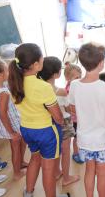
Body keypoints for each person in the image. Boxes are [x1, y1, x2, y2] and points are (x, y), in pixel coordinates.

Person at [8, 43, 68, 197]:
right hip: (47, 131)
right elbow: (58, 117)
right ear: (35, 64)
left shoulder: (14, 82)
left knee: (35, 159)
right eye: (41, 58)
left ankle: (28, 192)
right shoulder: (43, 86)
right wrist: (62, 122)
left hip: (27, 129)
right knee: (48, 169)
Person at [68, 43, 105, 197]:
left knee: (89, 170)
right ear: (101, 64)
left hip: (84, 139)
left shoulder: (75, 85)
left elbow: (72, 109)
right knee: (103, 173)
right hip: (103, 140)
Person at [38, 56, 80, 187]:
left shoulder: (39, 88)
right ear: (56, 74)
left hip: (48, 123)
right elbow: (68, 108)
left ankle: (56, 172)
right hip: (63, 122)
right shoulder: (60, 91)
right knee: (66, 151)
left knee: (56, 149)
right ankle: (66, 178)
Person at [0, 60, 27, 180]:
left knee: (22, 142)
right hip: (10, 126)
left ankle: (21, 162)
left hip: (9, 123)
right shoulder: (3, 93)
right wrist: (12, 133)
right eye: (6, 70)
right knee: (15, 148)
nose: (8, 72)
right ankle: (17, 173)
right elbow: (3, 115)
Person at [63, 62, 83, 164]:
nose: (79, 78)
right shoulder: (70, 89)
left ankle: (79, 150)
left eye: (80, 76)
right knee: (76, 137)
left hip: (78, 117)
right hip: (75, 118)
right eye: (76, 77)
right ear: (68, 79)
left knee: (79, 136)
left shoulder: (73, 86)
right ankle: (76, 153)